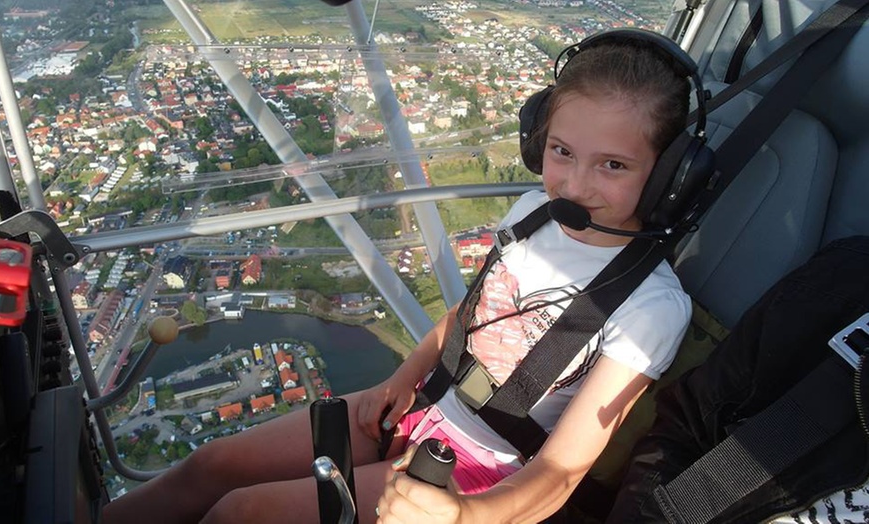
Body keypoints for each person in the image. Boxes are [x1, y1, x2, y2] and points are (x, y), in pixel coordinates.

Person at [102, 32, 692, 524]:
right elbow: (465, 321)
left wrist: (467, 517)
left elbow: (561, 472)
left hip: (478, 471)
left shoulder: (650, 306)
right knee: (209, 468)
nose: (574, 185)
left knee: (239, 513)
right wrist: (404, 376)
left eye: (613, 164)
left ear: (669, 174)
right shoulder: (530, 215)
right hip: (417, 407)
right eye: (562, 151)